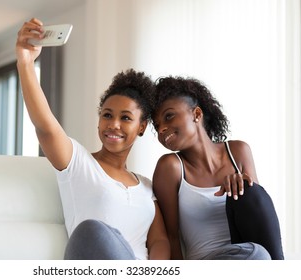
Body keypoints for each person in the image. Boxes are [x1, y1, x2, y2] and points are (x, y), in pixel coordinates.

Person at [15, 18, 170, 260]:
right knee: (92, 230)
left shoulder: (146, 187)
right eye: (107, 115)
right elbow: (45, 127)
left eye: (126, 118)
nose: (114, 124)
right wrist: (25, 62)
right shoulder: (78, 162)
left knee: (249, 253)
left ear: (142, 127)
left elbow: (159, 240)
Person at [151, 75, 284, 260]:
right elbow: (170, 237)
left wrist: (241, 183)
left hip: (248, 254)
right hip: (208, 262)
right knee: (259, 255)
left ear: (197, 114)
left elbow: (259, 216)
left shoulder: (238, 151)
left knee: (248, 192)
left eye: (169, 116)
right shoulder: (171, 167)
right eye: (157, 125)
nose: (161, 129)